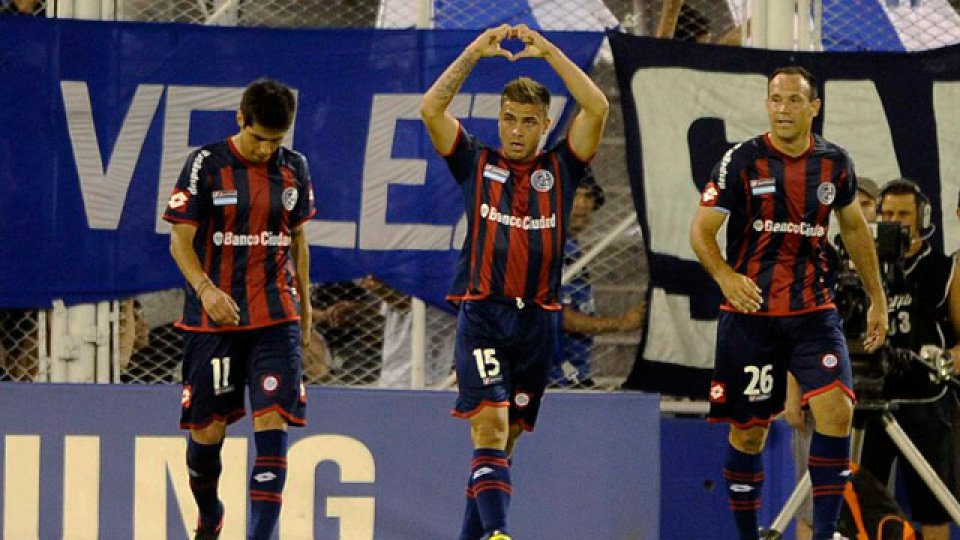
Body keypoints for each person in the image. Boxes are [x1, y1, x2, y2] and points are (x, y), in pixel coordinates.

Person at [420, 24, 608, 540]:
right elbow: (431, 110)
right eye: (509, 120)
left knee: (502, 448)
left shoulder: (562, 167)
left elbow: (596, 109)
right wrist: (473, 54)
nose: (517, 131)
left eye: (529, 122)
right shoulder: (475, 162)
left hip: (538, 323)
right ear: (498, 121)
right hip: (484, 313)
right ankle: (502, 535)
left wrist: (549, 51)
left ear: (546, 124)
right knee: (491, 425)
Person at [689, 66, 888, 540]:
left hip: (813, 312)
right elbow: (700, 232)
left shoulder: (834, 163)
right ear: (767, 105)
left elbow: (855, 229)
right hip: (750, 316)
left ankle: (823, 535)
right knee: (748, 434)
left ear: (813, 107)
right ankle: (746, 534)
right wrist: (725, 276)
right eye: (775, 99)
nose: (782, 109)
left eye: (793, 100)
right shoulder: (740, 160)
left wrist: (877, 298)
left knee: (837, 412)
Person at [163, 78, 315, 540]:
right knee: (206, 436)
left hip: (275, 316)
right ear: (239, 119)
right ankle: (209, 514)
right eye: (258, 138)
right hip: (214, 320)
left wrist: (305, 307)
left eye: (276, 140)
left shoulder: (295, 168)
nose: (267, 148)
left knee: (272, 420)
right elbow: (178, 242)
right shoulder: (205, 164)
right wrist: (207, 290)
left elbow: (297, 238)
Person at [856, 178, 960, 540]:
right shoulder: (862, 268)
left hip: (926, 403)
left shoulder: (944, 270)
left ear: (922, 218)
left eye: (903, 213)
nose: (894, 221)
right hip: (871, 399)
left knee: (934, 508)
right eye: (886, 213)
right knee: (859, 505)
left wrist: (945, 359)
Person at [783, 175, 880, 540]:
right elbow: (798, 325)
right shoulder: (822, 255)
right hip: (819, 386)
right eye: (858, 205)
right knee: (809, 502)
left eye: (870, 205)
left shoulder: (892, 265)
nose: (864, 213)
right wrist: (794, 391)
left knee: (865, 501)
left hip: (873, 389)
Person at [551, 174, 646, 388]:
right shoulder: (551, 249)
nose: (583, 206)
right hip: (550, 378)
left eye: (589, 197)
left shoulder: (572, 249)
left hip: (569, 375)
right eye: (574, 196)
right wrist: (621, 324)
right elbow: (558, 317)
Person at [359, 275, 456, 389]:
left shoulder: (440, 282)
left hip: (420, 376)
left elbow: (404, 303)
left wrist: (376, 284)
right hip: (394, 374)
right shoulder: (399, 276)